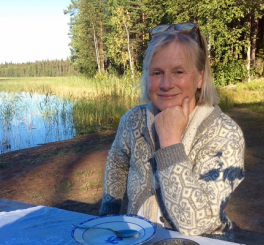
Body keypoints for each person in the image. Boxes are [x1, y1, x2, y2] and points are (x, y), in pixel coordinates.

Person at [99, 23, 245, 242]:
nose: (166, 84)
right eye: (157, 72)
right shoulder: (134, 120)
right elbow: (117, 162)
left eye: (179, 71)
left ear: (200, 78)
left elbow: (195, 224)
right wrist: (108, 217)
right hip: (138, 237)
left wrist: (170, 144)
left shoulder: (224, 133)